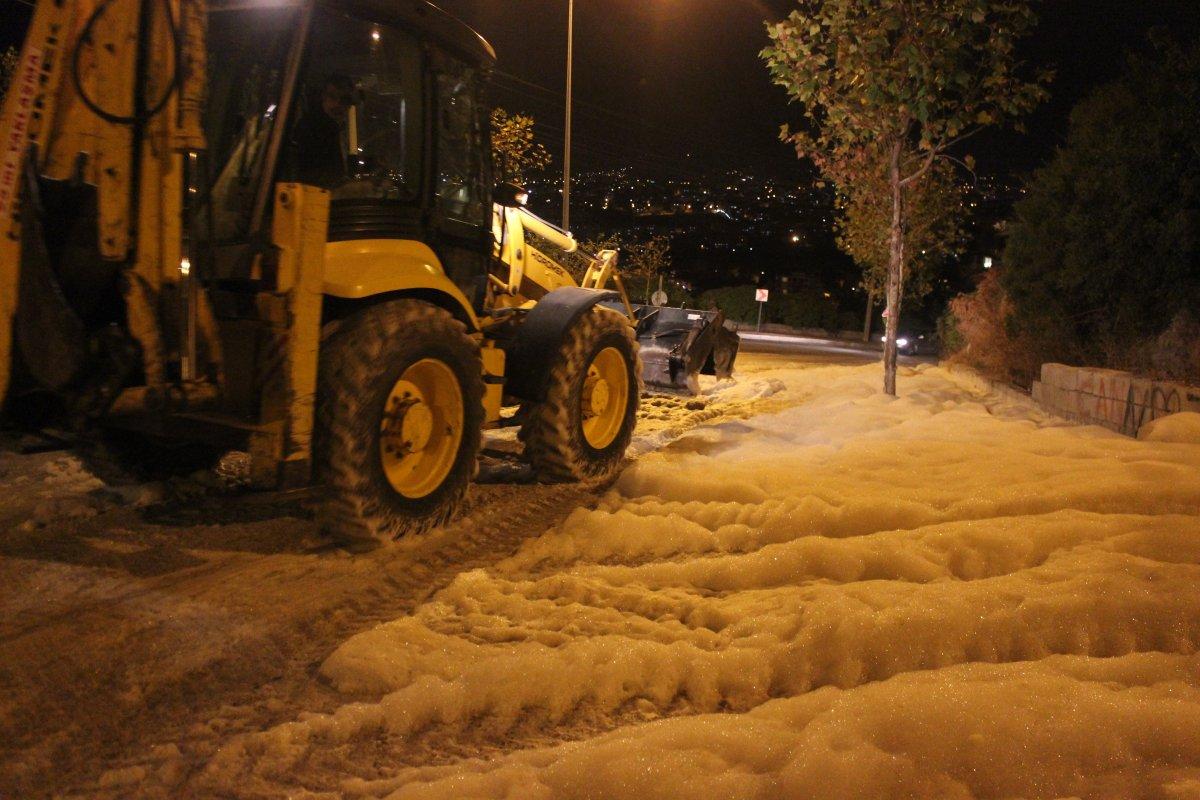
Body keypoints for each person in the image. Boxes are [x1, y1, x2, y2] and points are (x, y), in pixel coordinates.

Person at [292, 75, 354, 189]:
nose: (337, 104)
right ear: (323, 96)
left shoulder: (341, 129)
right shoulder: (308, 127)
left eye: (344, 100)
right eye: (332, 97)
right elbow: (301, 173)